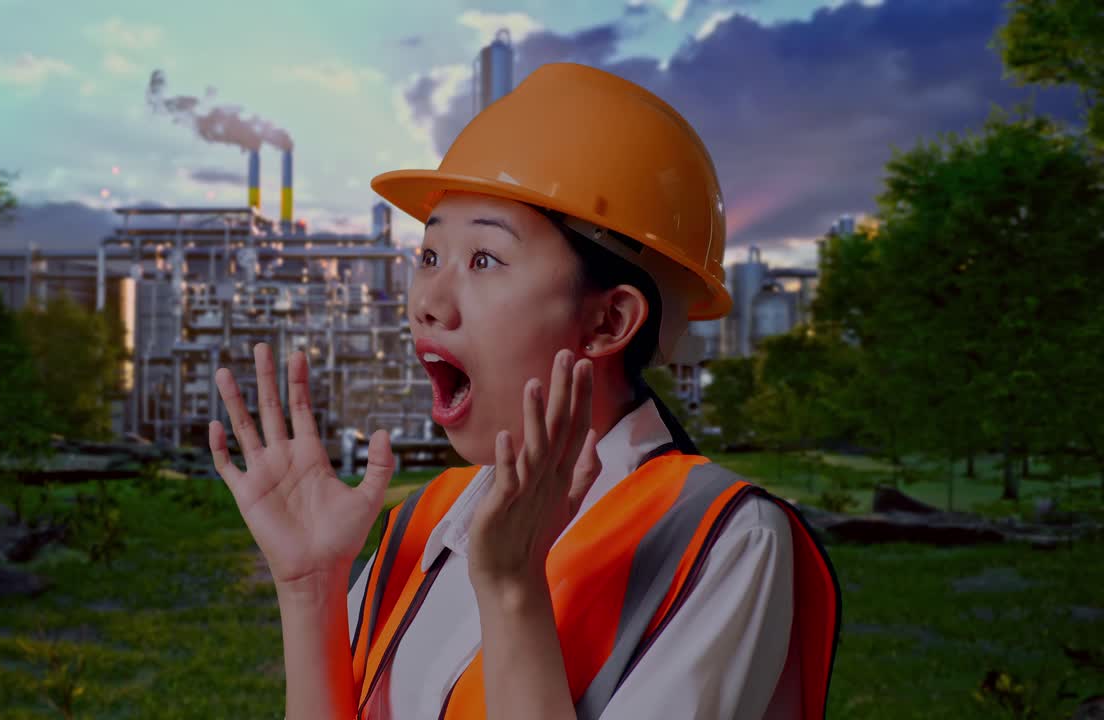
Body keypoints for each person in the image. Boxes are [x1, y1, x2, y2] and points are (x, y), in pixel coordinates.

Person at [209, 62, 840, 720]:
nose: (427, 302)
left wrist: (514, 592)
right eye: (430, 256)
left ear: (608, 321)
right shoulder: (424, 522)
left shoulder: (724, 539)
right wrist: (311, 589)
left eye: (483, 259)